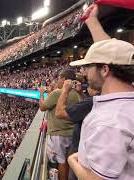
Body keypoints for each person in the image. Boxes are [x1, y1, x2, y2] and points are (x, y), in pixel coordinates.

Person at [68, 4, 134, 180]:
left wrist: (73, 161)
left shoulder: (109, 121)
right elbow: (111, 53)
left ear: (105, 70)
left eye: (88, 66)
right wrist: (92, 22)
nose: (84, 73)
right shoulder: (127, 99)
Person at [39, 69, 81, 180]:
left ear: (63, 79)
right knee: (72, 162)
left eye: (59, 78)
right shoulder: (77, 93)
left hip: (59, 134)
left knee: (62, 163)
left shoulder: (57, 93)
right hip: (74, 133)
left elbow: (42, 107)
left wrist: (41, 94)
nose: (58, 81)